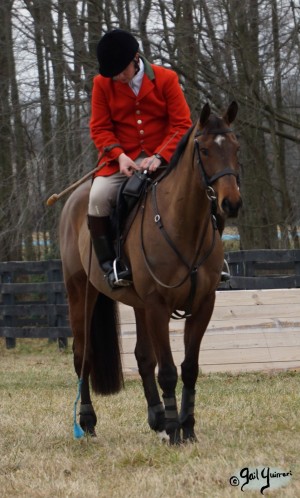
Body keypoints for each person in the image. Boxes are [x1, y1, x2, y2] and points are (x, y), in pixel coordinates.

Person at [88, 29, 192, 288]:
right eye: (113, 74)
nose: (118, 78)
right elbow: (99, 128)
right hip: (121, 161)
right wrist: (119, 155)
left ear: (136, 59)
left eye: (121, 71)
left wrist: (160, 155)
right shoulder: (102, 84)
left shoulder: (167, 79)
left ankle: (212, 259)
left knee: (203, 187)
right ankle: (110, 265)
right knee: (97, 198)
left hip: (164, 158)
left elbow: (182, 125)